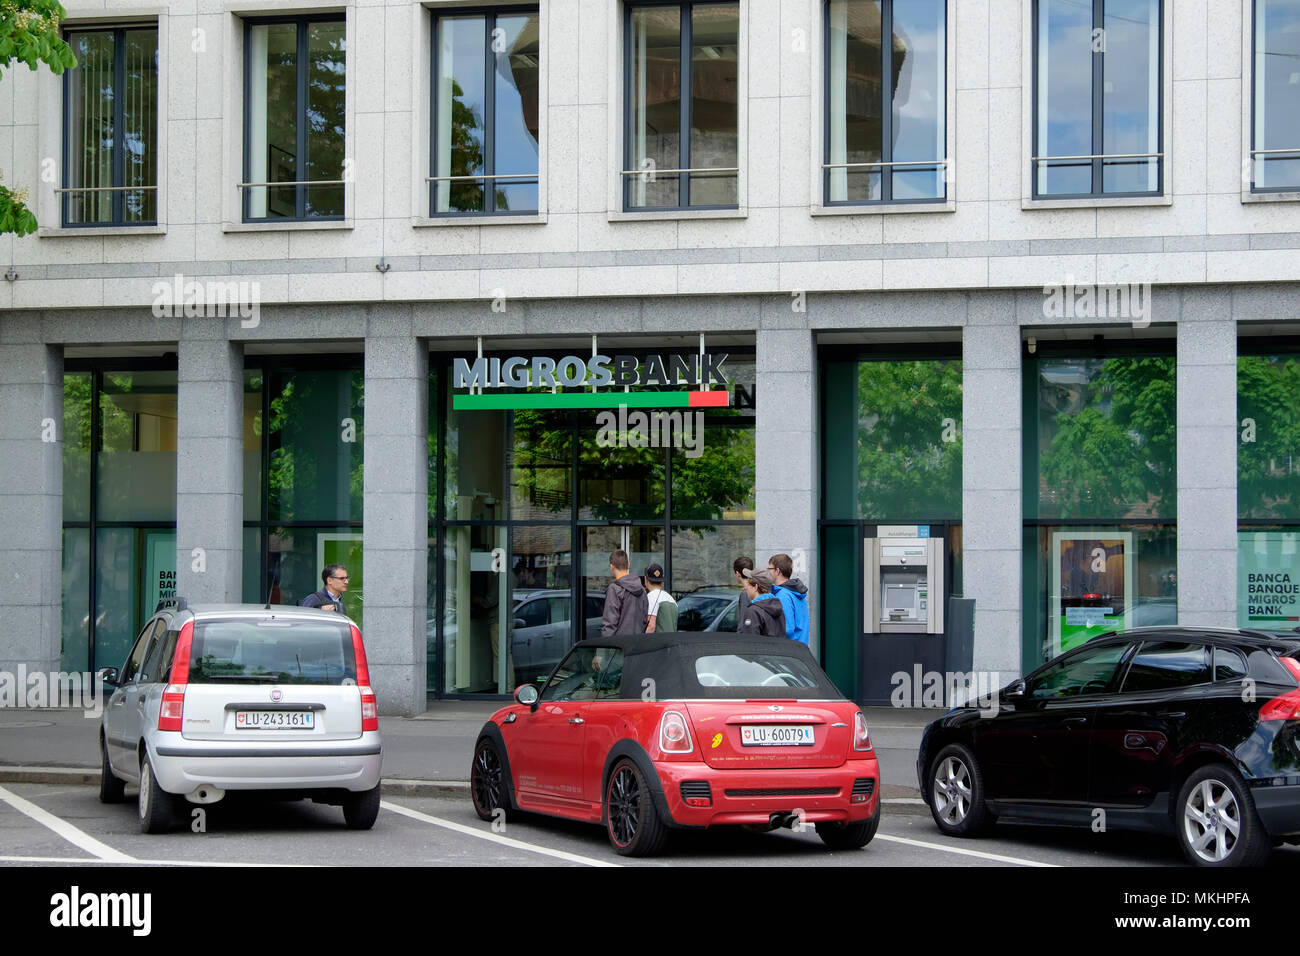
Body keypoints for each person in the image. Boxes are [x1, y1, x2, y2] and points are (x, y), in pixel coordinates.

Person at [601, 550, 648, 636]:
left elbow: (610, 624)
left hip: (620, 645)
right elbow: (644, 620)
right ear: (628, 565)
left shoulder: (614, 589)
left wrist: (606, 646)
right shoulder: (642, 589)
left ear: (611, 567)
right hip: (638, 643)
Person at [768, 553, 809, 645]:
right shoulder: (796, 592)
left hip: (788, 650)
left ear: (777, 571)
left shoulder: (783, 595)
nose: (768, 572)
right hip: (800, 648)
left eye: (769, 569)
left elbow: (786, 628)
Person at [738, 568, 786, 636]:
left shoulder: (753, 612)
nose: (745, 588)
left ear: (756, 587)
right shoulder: (778, 607)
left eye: (748, 584)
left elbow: (750, 643)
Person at [643, 564, 678, 633]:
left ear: (645, 579)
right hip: (671, 642)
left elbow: (651, 626)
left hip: (657, 643)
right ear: (661, 581)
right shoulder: (671, 599)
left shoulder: (651, 597)